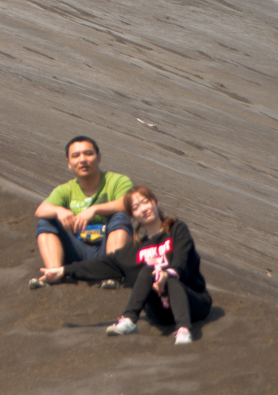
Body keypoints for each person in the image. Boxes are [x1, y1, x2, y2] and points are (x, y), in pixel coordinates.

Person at [38, 185, 212, 345]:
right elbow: (102, 264)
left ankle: (183, 331)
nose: (143, 209)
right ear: (133, 215)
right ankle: (128, 320)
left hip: (192, 302)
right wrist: (63, 270)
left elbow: (181, 258)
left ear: (156, 203)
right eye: (135, 208)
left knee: (169, 277)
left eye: (146, 202)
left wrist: (168, 274)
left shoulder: (176, 229)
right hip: (161, 313)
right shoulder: (134, 249)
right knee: (148, 270)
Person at [29, 135, 133, 281]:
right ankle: (54, 273)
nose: (82, 159)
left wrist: (94, 210)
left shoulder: (117, 181)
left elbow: (127, 204)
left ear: (99, 157)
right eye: (76, 156)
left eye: (88, 154)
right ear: (69, 163)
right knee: (46, 222)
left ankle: (112, 273)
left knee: (120, 217)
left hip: (106, 247)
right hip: (77, 250)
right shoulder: (65, 189)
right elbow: (40, 210)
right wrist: (59, 210)